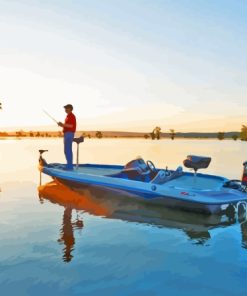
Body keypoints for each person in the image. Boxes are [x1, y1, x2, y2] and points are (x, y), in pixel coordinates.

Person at [58, 104, 76, 170]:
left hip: (69, 134)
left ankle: (69, 166)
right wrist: (62, 125)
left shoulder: (71, 116)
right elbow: (67, 125)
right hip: (67, 134)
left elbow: (71, 126)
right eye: (65, 108)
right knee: (67, 150)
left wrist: (62, 124)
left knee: (68, 150)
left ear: (70, 109)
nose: (65, 109)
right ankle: (69, 165)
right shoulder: (67, 116)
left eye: (66, 108)